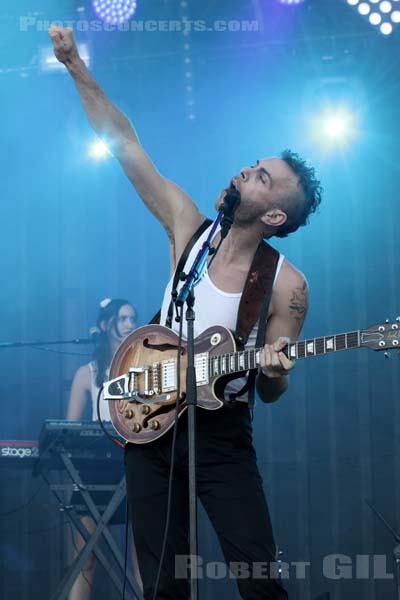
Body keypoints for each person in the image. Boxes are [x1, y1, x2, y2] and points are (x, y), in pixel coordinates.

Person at [49, 25, 322, 600]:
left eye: (262, 178)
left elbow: (271, 390)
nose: (246, 172)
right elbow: (125, 144)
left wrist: (275, 372)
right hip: (152, 422)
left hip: (222, 437)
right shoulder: (188, 229)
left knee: (257, 577)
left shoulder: (285, 285)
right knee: (164, 585)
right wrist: (75, 66)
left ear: (274, 216)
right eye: (253, 165)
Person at [66, 298, 139, 600]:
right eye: (122, 319)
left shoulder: (142, 367)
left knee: (143, 562)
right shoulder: (87, 373)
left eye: (132, 319)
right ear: (106, 325)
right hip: (94, 467)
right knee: (86, 561)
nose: (129, 325)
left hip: (133, 462)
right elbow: (69, 430)